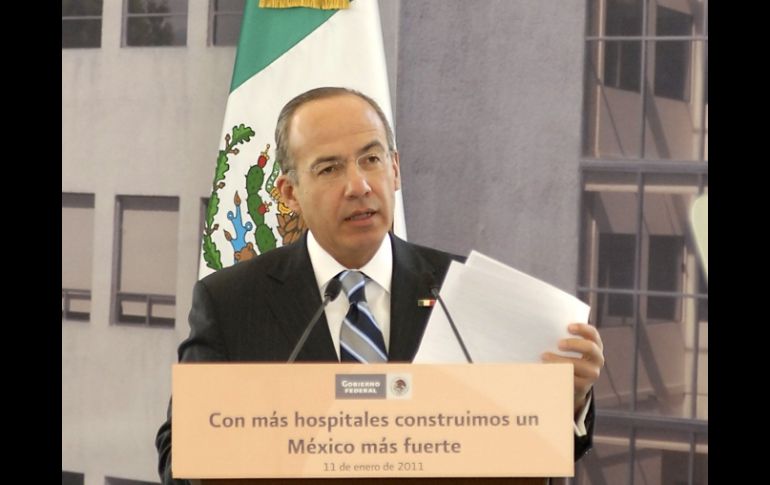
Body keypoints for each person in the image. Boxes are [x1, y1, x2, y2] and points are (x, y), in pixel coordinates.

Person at [155, 87, 605, 484]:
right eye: (329, 169)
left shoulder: (463, 292)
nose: (359, 186)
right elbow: (180, 457)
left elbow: (526, 456)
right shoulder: (231, 301)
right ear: (289, 193)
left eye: (371, 160)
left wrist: (568, 402)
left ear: (395, 169)